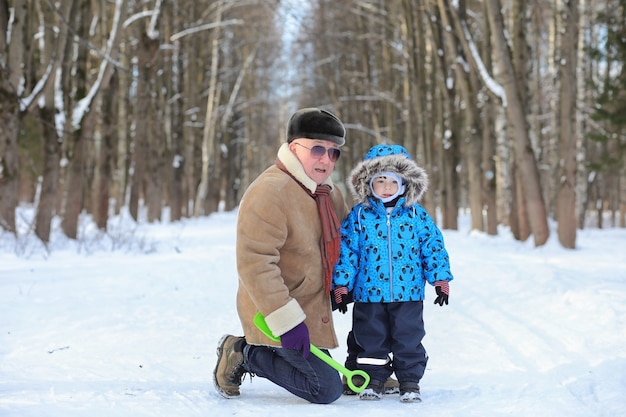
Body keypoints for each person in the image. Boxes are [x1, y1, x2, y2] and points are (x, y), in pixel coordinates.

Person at [213, 108, 349, 404]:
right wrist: (286, 322)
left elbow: (351, 242)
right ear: (292, 148)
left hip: (311, 311)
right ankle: (243, 352)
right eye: (317, 149)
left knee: (330, 377)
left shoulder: (329, 193)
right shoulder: (269, 191)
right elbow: (255, 264)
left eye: (333, 153)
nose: (326, 160)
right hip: (272, 313)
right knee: (324, 389)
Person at [332, 144, 454, 403]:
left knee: (408, 337)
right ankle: (373, 379)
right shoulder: (359, 217)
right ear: (369, 184)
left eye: (393, 181)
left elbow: (432, 246)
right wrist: (342, 285)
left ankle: (409, 380)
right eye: (380, 180)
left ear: (405, 183)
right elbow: (348, 252)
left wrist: (440, 278)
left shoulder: (416, 215)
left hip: (407, 292)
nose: (386, 187)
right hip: (369, 294)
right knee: (370, 338)